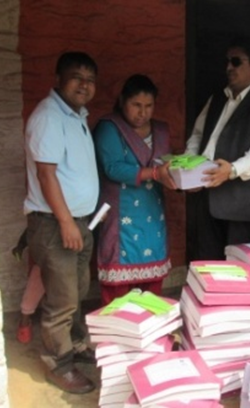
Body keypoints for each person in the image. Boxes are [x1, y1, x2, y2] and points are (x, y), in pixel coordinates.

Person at [23, 52, 99, 394]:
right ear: (58, 79)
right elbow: (45, 173)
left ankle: (73, 346)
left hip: (79, 222)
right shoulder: (49, 117)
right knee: (62, 299)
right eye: (76, 77)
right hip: (56, 225)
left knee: (77, 291)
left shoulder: (76, 116)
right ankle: (58, 364)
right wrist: (67, 222)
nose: (84, 84)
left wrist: (78, 221)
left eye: (90, 79)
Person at [185, 36, 250, 260]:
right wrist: (190, 167)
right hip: (207, 198)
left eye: (236, 61)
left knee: (238, 271)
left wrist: (231, 170)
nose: (229, 67)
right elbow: (198, 135)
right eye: (228, 61)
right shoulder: (217, 98)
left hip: (242, 206)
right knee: (207, 263)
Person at [93, 74, 177, 306]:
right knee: (119, 288)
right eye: (136, 105)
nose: (143, 112)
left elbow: (168, 164)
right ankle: (120, 334)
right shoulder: (109, 128)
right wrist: (154, 174)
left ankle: (150, 334)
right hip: (120, 215)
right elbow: (113, 167)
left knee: (151, 288)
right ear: (122, 101)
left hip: (153, 215)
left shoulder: (161, 131)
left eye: (149, 106)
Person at [11, 231, 44, 344]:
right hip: (44, 257)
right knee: (35, 284)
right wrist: (20, 246)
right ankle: (24, 321)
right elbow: (30, 230)